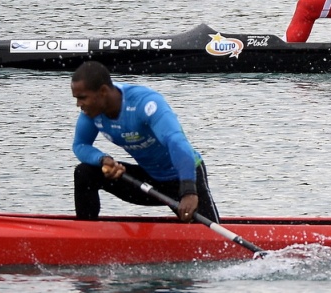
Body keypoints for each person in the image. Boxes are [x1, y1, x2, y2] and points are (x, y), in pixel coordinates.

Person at [70, 60, 220, 223]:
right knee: (84, 173)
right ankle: (86, 235)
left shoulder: (145, 103)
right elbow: (80, 145)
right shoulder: (92, 113)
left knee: (213, 241)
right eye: (77, 98)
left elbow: (176, 142)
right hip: (149, 180)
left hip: (184, 177)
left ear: (103, 91)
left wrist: (189, 191)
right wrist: (103, 160)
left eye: (83, 98)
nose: (79, 104)